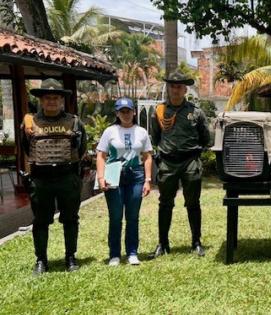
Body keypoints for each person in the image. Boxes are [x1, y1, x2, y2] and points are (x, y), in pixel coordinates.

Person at [21, 78, 87, 275]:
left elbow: (81, 148)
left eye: (55, 98)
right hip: (41, 179)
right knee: (41, 221)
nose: (51, 101)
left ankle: (70, 257)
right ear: (41, 100)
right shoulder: (31, 123)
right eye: (47, 98)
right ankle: (41, 260)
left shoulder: (74, 122)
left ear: (61, 100)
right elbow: (26, 148)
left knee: (70, 219)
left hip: (67, 177)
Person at [149, 71, 210, 258]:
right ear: (168, 88)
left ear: (185, 89)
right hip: (167, 162)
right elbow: (156, 137)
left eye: (179, 86)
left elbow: (205, 138)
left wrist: (194, 154)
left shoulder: (195, 112)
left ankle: (196, 242)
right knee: (165, 204)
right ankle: (163, 243)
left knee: (193, 203)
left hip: (190, 161)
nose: (175, 89)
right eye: (172, 86)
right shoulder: (159, 111)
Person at [96, 97, 153, 266]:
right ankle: (114, 254)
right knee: (115, 216)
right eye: (122, 111)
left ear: (134, 112)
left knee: (133, 216)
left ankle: (132, 252)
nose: (126, 114)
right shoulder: (110, 131)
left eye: (129, 111)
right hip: (114, 174)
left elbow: (148, 156)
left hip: (136, 175)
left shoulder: (141, 132)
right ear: (117, 113)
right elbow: (101, 155)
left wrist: (148, 180)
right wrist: (101, 177)